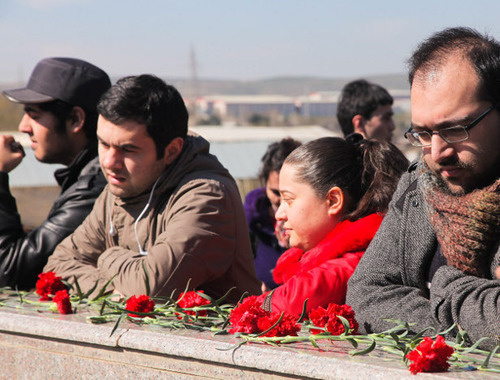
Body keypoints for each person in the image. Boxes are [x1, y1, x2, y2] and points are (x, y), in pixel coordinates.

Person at [44, 74, 260, 302]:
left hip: (211, 338)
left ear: (172, 151)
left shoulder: (207, 196)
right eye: (104, 144)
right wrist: (111, 292)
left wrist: (108, 257)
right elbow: (58, 266)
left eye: (127, 150)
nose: (108, 162)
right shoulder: (117, 190)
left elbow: (153, 289)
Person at [346, 27, 500, 348]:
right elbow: (366, 293)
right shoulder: (419, 187)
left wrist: (445, 285)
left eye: (456, 129)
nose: (438, 152)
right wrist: (452, 329)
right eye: (424, 134)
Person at [259, 135, 408, 316]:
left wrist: (256, 304)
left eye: (289, 200)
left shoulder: (366, 255)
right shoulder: (320, 255)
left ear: (333, 200)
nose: (279, 214)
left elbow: (300, 297)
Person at [0, 57, 110, 289]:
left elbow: (11, 270)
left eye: (34, 114)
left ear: (75, 119)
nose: (23, 126)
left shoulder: (95, 187)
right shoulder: (88, 175)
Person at [244, 138, 301, 292]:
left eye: (288, 195)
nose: (281, 201)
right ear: (264, 183)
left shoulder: (313, 221)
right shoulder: (253, 214)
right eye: (275, 192)